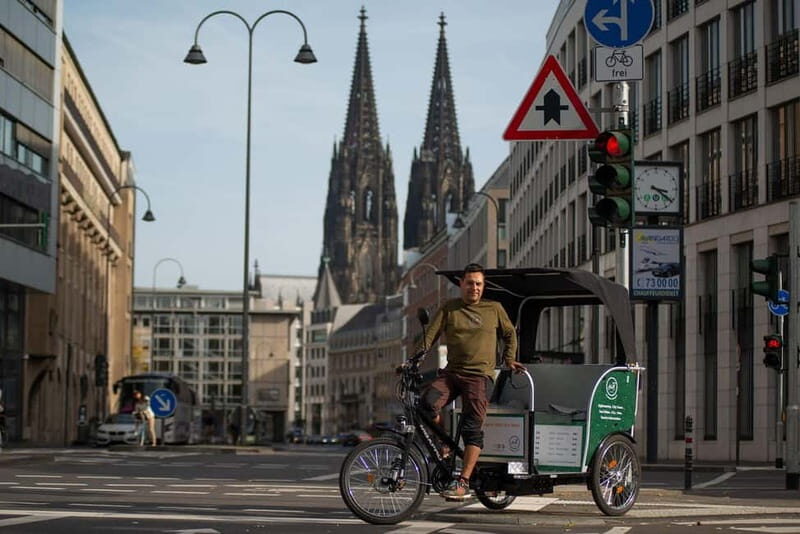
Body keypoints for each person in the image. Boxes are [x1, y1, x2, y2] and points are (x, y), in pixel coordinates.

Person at [413, 263, 524, 501]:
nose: (474, 287)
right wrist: (411, 361)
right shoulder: (450, 308)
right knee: (426, 404)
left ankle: (463, 482)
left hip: (479, 378)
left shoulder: (493, 308)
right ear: (461, 284)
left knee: (472, 430)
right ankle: (443, 446)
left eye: (479, 284)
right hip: (452, 374)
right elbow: (429, 337)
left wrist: (510, 359)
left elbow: (509, 333)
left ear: (482, 287)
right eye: (470, 283)